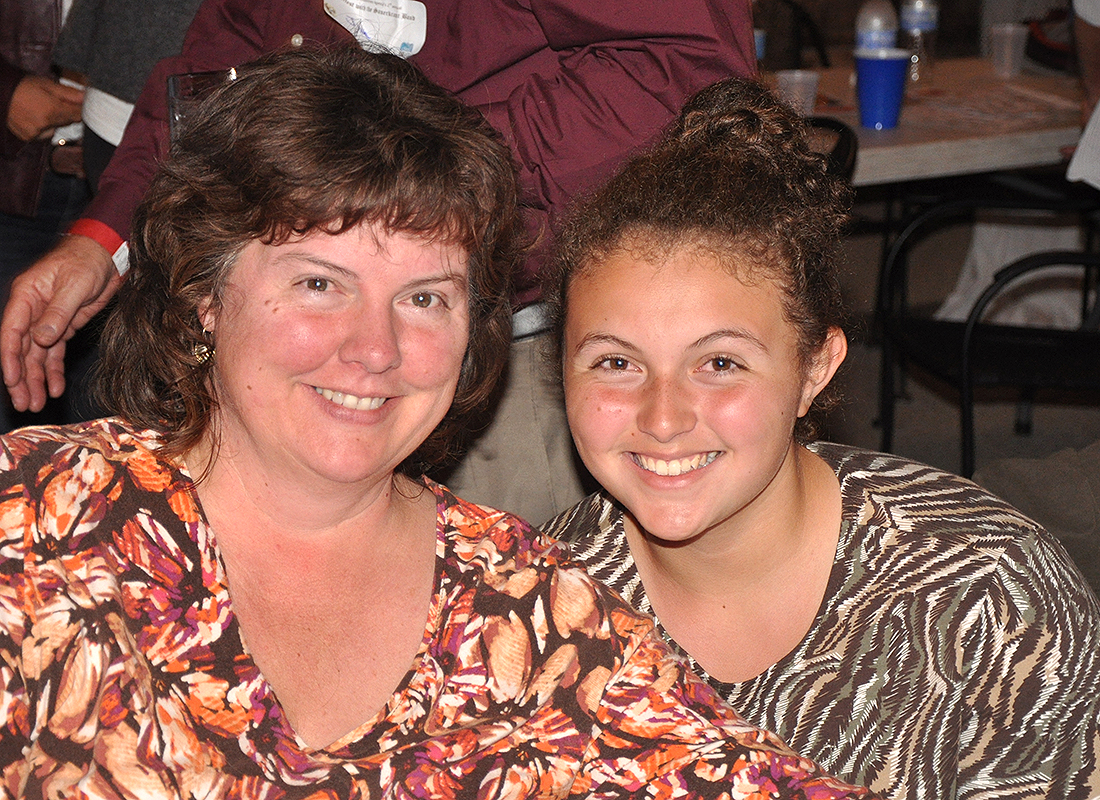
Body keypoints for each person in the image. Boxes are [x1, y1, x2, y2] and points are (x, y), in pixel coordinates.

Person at [0, 47, 875, 799]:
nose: (375, 349)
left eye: (425, 298)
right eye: (319, 283)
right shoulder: (37, 519)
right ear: (203, 299)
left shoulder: (526, 606)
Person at [542, 77, 1100, 799]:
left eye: (719, 363)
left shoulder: (985, 594)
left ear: (815, 368)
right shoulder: (537, 602)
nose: (663, 416)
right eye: (616, 362)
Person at [0, 0, 755, 525]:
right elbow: (224, 59)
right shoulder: (49, 507)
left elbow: (681, 66)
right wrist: (103, 238)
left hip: (506, 369)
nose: (372, 347)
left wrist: (402, 173)